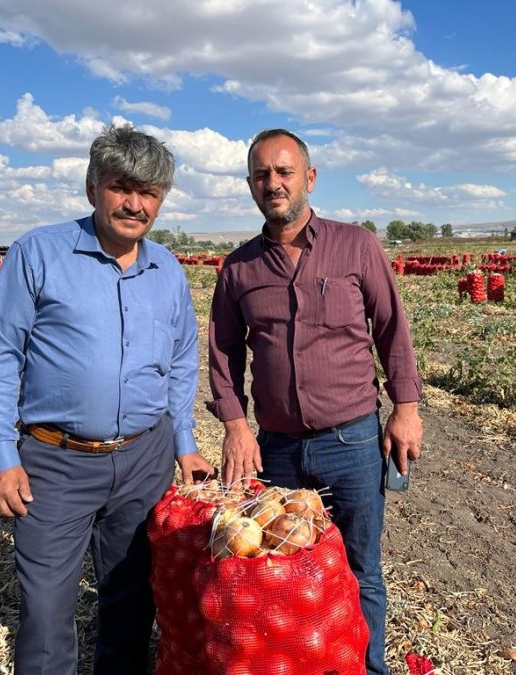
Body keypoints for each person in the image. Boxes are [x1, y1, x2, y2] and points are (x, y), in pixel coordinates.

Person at [0, 124, 212, 674]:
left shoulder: (167, 270)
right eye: (120, 186)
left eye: (148, 192)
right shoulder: (40, 254)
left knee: (132, 597)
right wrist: (0, 455)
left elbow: (179, 363)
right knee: (46, 609)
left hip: (145, 459)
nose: (134, 203)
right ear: (92, 188)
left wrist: (184, 443)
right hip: (56, 461)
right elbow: (0, 353)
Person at [207, 128, 423, 675]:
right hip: (276, 450)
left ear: (309, 177)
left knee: (358, 569)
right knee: (280, 572)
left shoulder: (357, 245)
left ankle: (365, 668)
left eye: (283, 172)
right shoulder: (237, 268)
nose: (272, 183)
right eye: (261, 175)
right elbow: (224, 352)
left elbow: (393, 329)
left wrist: (406, 408)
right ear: (251, 184)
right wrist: (235, 424)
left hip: (350, 442)